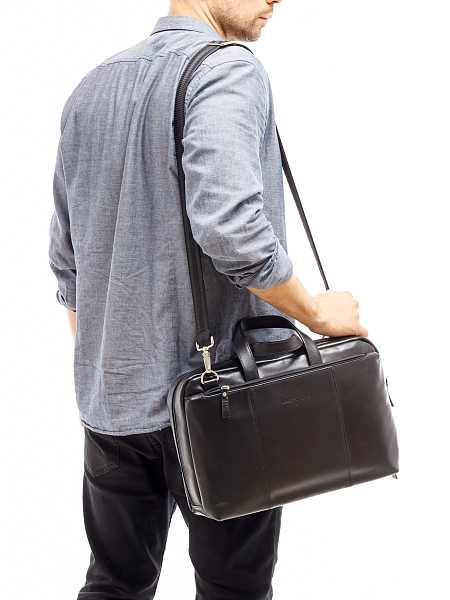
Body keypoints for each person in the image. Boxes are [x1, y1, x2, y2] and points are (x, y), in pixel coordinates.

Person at [48, 1, 368, 598]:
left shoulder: (90, 89)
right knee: (234, 590)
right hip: (224, 403)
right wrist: (317, 313)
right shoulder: (227, 69)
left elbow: (68, 262)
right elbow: (232, 229)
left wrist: (110, 364)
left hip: (111, 405)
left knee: (114, 584)